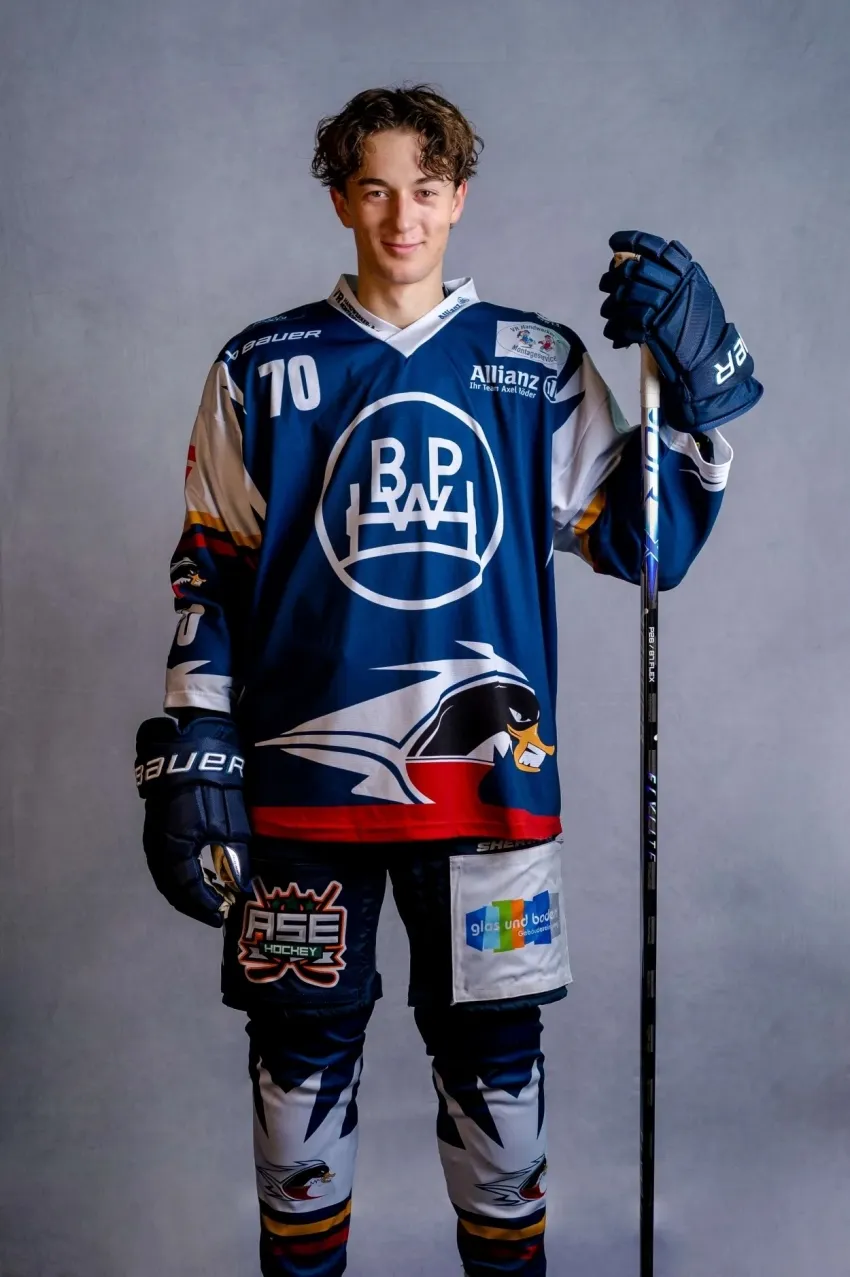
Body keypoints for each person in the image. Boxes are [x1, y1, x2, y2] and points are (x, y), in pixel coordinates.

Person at [134, 84, 762, 1277]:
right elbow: (210, 560)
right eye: (374, 190)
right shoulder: (262, 366)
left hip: (487, 800)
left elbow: (649, 546)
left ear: (460, 197)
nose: (402, 217)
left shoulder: (533, 363)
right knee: (296, 1079)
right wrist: (194, 734)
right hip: (301, 795)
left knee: (496, 1080)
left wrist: (695, 398)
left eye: (425, 190)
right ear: (339, 200)